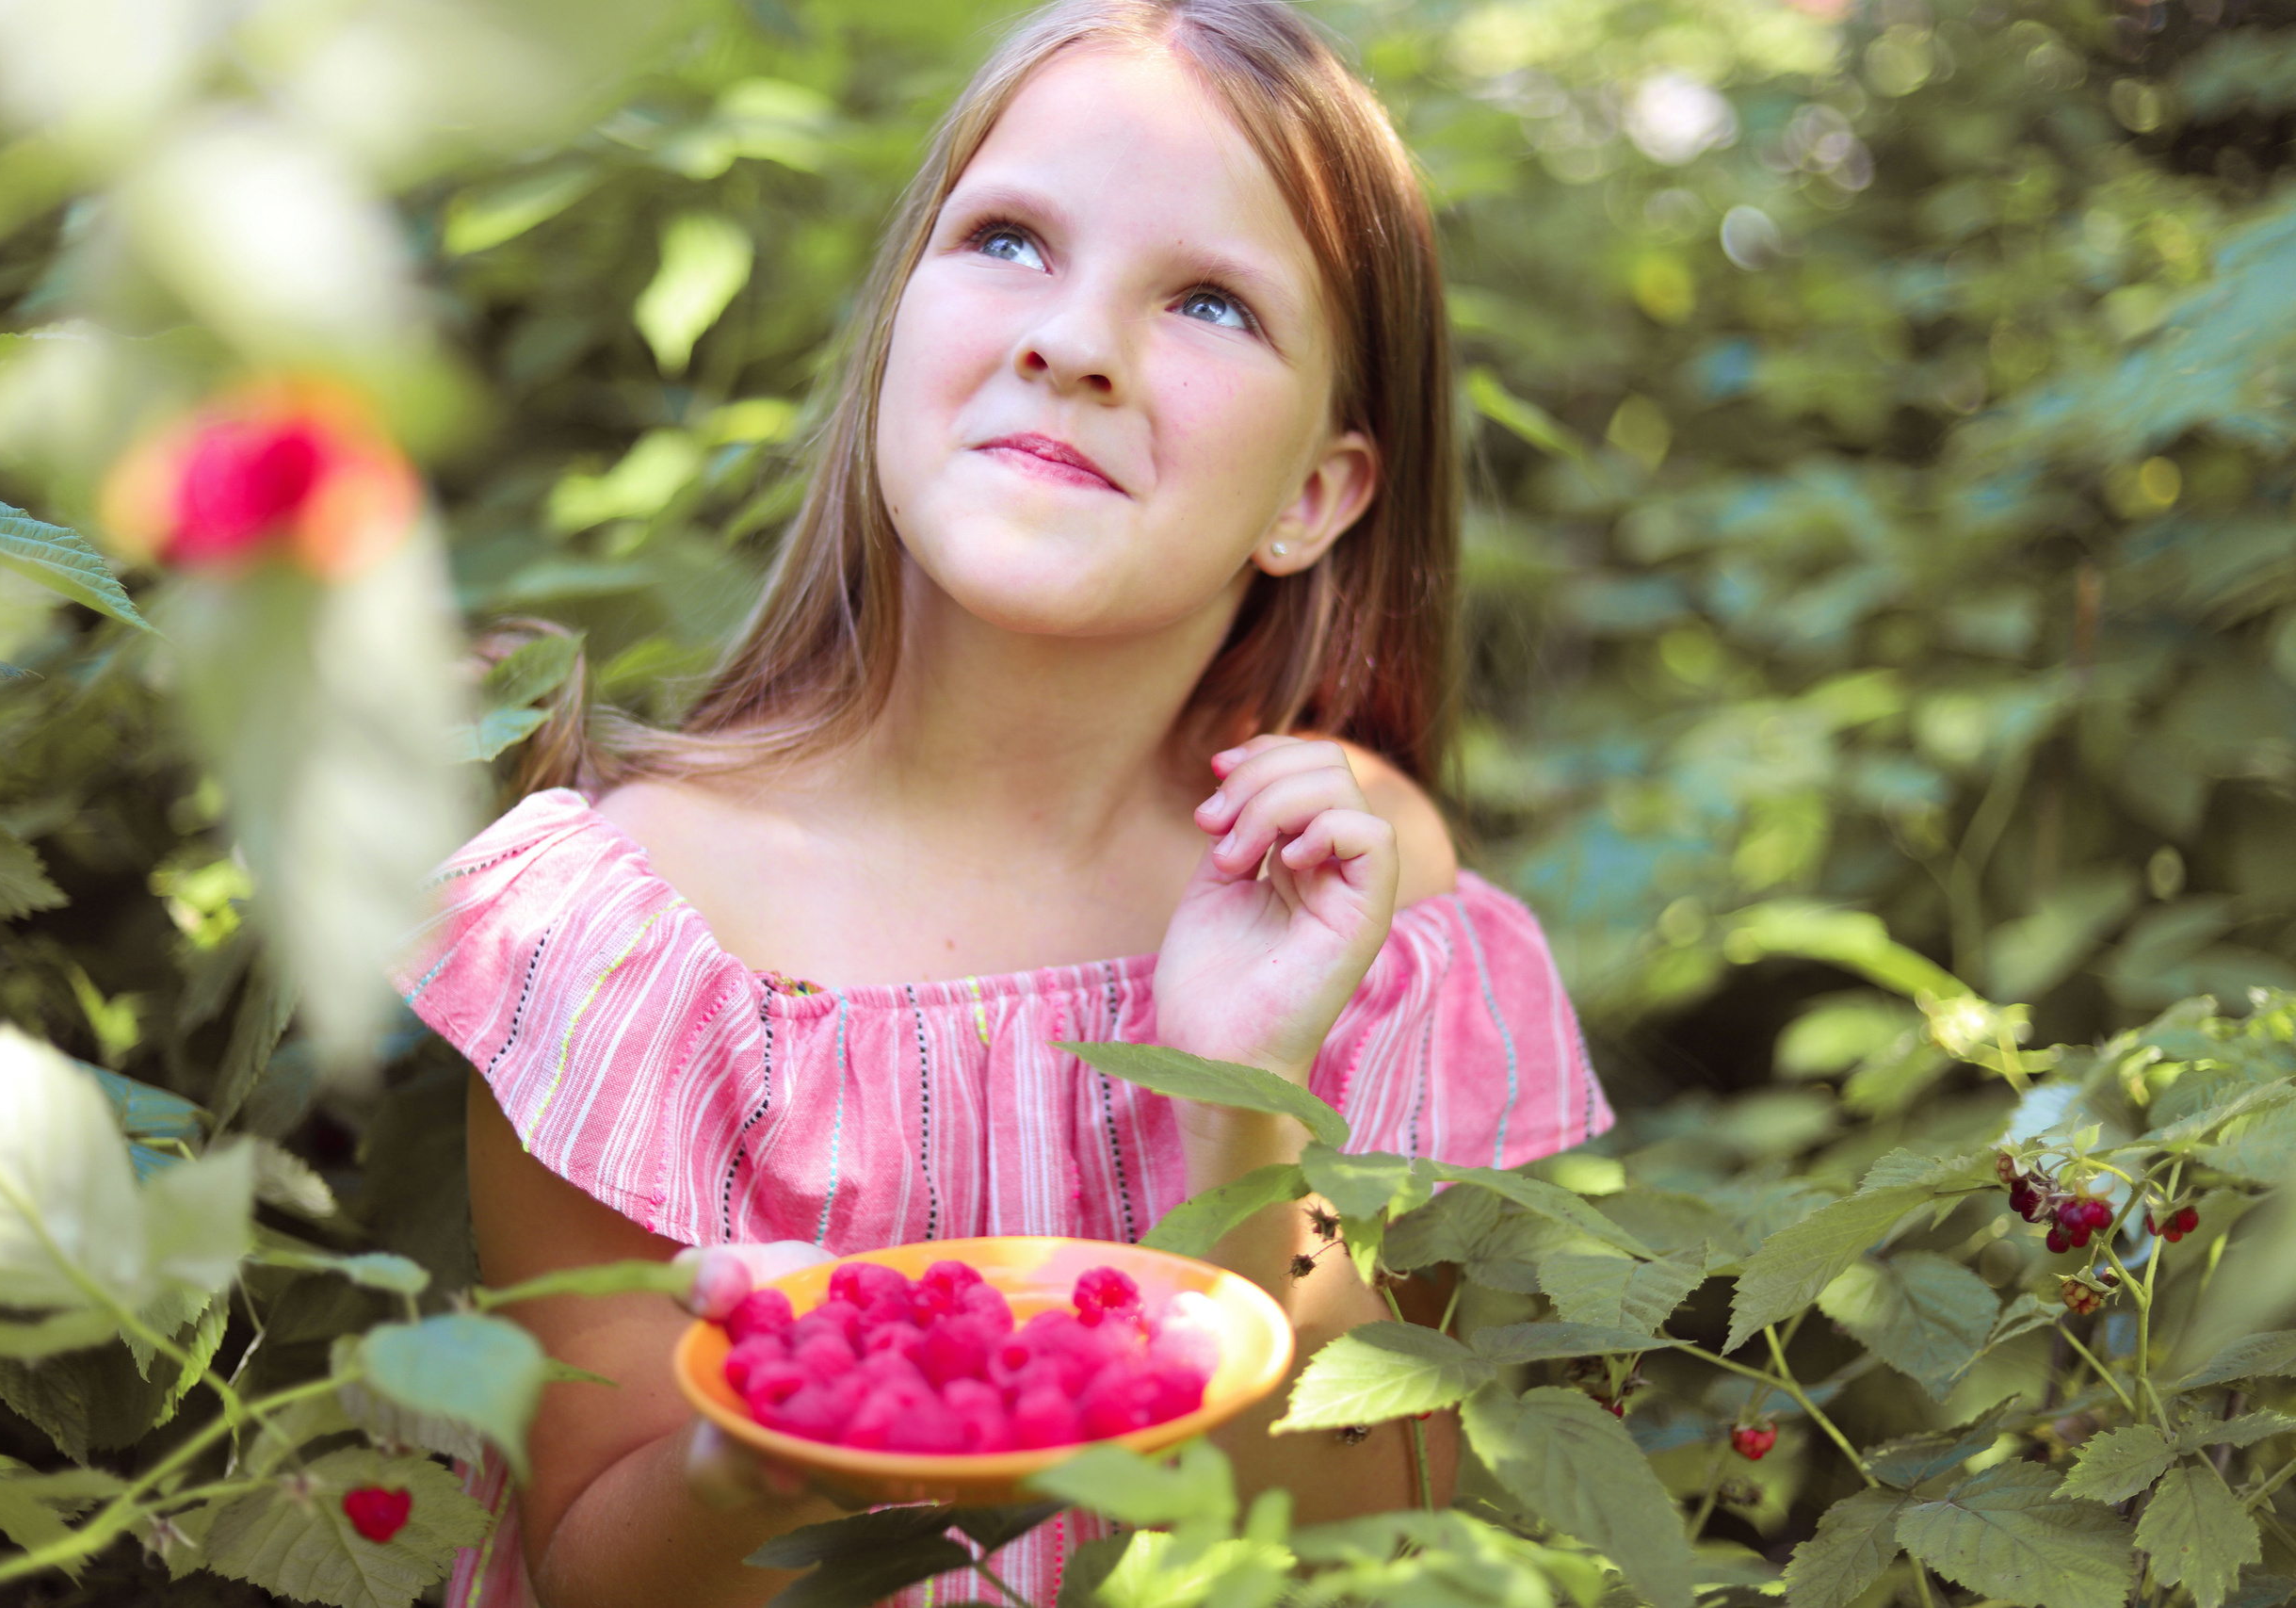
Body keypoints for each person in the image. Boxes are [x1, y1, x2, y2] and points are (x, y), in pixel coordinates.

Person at [396, 2, 1614, 1602]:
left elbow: (1371, 1542)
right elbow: (588, 1579)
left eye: (1210, 301)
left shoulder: (1367, 921)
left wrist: (1242, 1087)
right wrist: (754, 1457)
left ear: (1315, 494)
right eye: (1010, 241)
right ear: (898, 330)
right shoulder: (624, 937)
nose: (1075, 341)